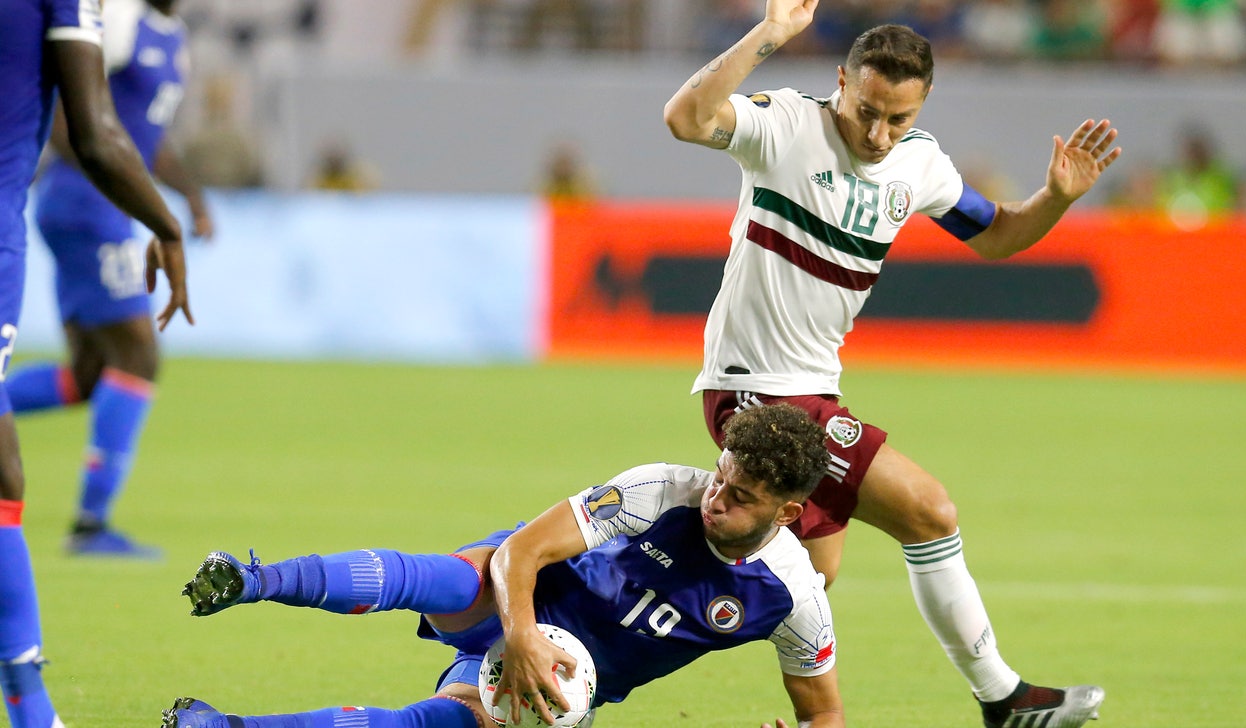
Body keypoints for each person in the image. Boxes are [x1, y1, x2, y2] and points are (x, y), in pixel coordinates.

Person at [662, 3, 1119, 727]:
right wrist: (773, 35)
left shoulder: (921, 165)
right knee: (928, 511)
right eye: (866, 110)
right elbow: (687, 118)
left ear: (922, 106)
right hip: (756, 391)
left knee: (810, 579)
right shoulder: (784, 125)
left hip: (816, 389)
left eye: (896, 119)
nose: (878, 135)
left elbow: (997, 237)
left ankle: (618, 608)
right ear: (841, 81)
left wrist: (1054, 200)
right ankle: (1003, 698)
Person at [164, 404, 843, 728]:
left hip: (566, 680)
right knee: (461, 575)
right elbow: (525, 552)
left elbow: (825, 716)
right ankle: (255, 580)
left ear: (785, 513)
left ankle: (220, 727)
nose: (715, 499)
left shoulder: (792, 599)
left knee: (449, 726)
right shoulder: (661, 491)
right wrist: (520, 633)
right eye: (720, 478)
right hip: (522, 590)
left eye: (741, 497)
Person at [1, 0, 192, 725]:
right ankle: (31, 702)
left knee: (89, 375)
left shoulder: (174, 39)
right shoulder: (104, 15)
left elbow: (144, 134)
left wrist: (189, 193)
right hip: (85, 201)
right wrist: (164, 222)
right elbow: (96, 125)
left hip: (73, 198)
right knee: (137, 355)